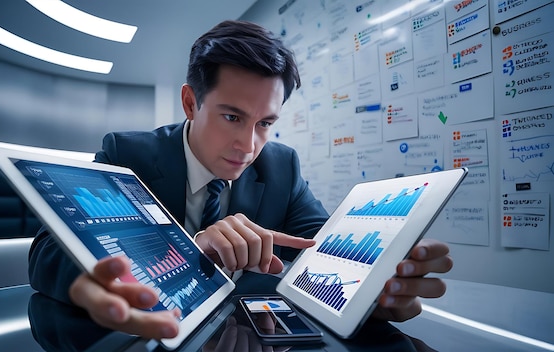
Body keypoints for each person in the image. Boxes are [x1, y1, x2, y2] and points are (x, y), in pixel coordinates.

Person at [29, 20, 453, 341]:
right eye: (232, 117)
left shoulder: (281, 166)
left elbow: (322, 250)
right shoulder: (128, 155)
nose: (248, 146)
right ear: (191, 103)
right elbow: (48, 251)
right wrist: (189, 252)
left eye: (265, 122)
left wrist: (377, 285)